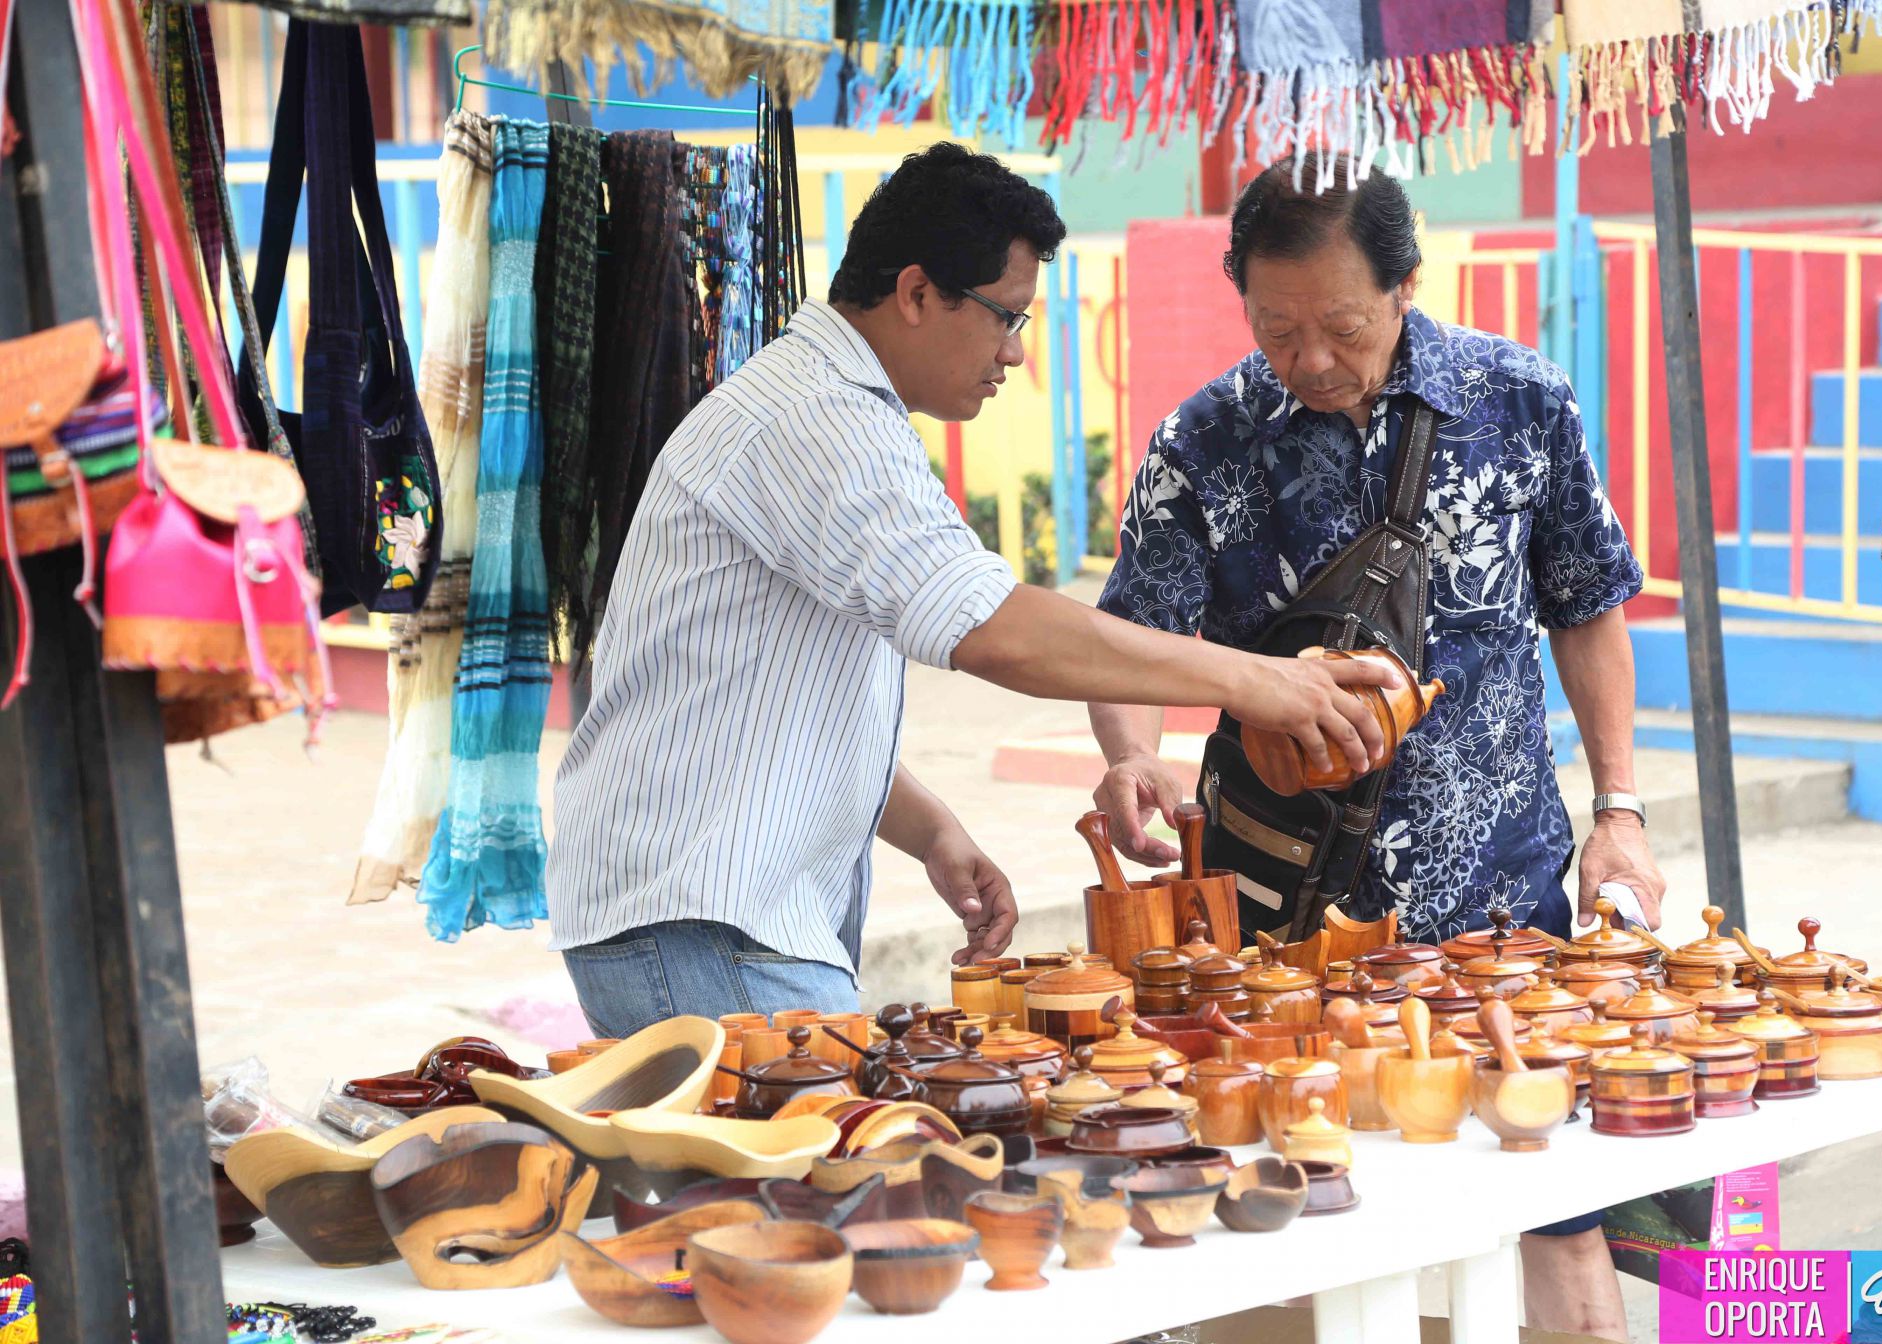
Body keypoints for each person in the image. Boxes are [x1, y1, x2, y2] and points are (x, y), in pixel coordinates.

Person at [546, 143, 1407, 1033]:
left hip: (706, 917)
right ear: (919, 294)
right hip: (704, 921)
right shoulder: (818, 419)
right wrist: (1259, 681)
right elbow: (997, 631)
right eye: (1006, 318)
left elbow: (767, 708)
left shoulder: (828, 405)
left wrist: (931, 831)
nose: (1015, 353)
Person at [1087, 156, 1666, 1342]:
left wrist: (1621, 810)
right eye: (1275, 327)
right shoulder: (1203, 439)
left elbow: (1586, 607)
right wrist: (1133, 755)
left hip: (1498, 903)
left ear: (1407, 285)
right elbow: (1130, 638)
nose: (1307, 357)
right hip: (1281, 922)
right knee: (1292, 1204)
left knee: (1548, 1196)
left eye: (1341, 327)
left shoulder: (1518, 401)